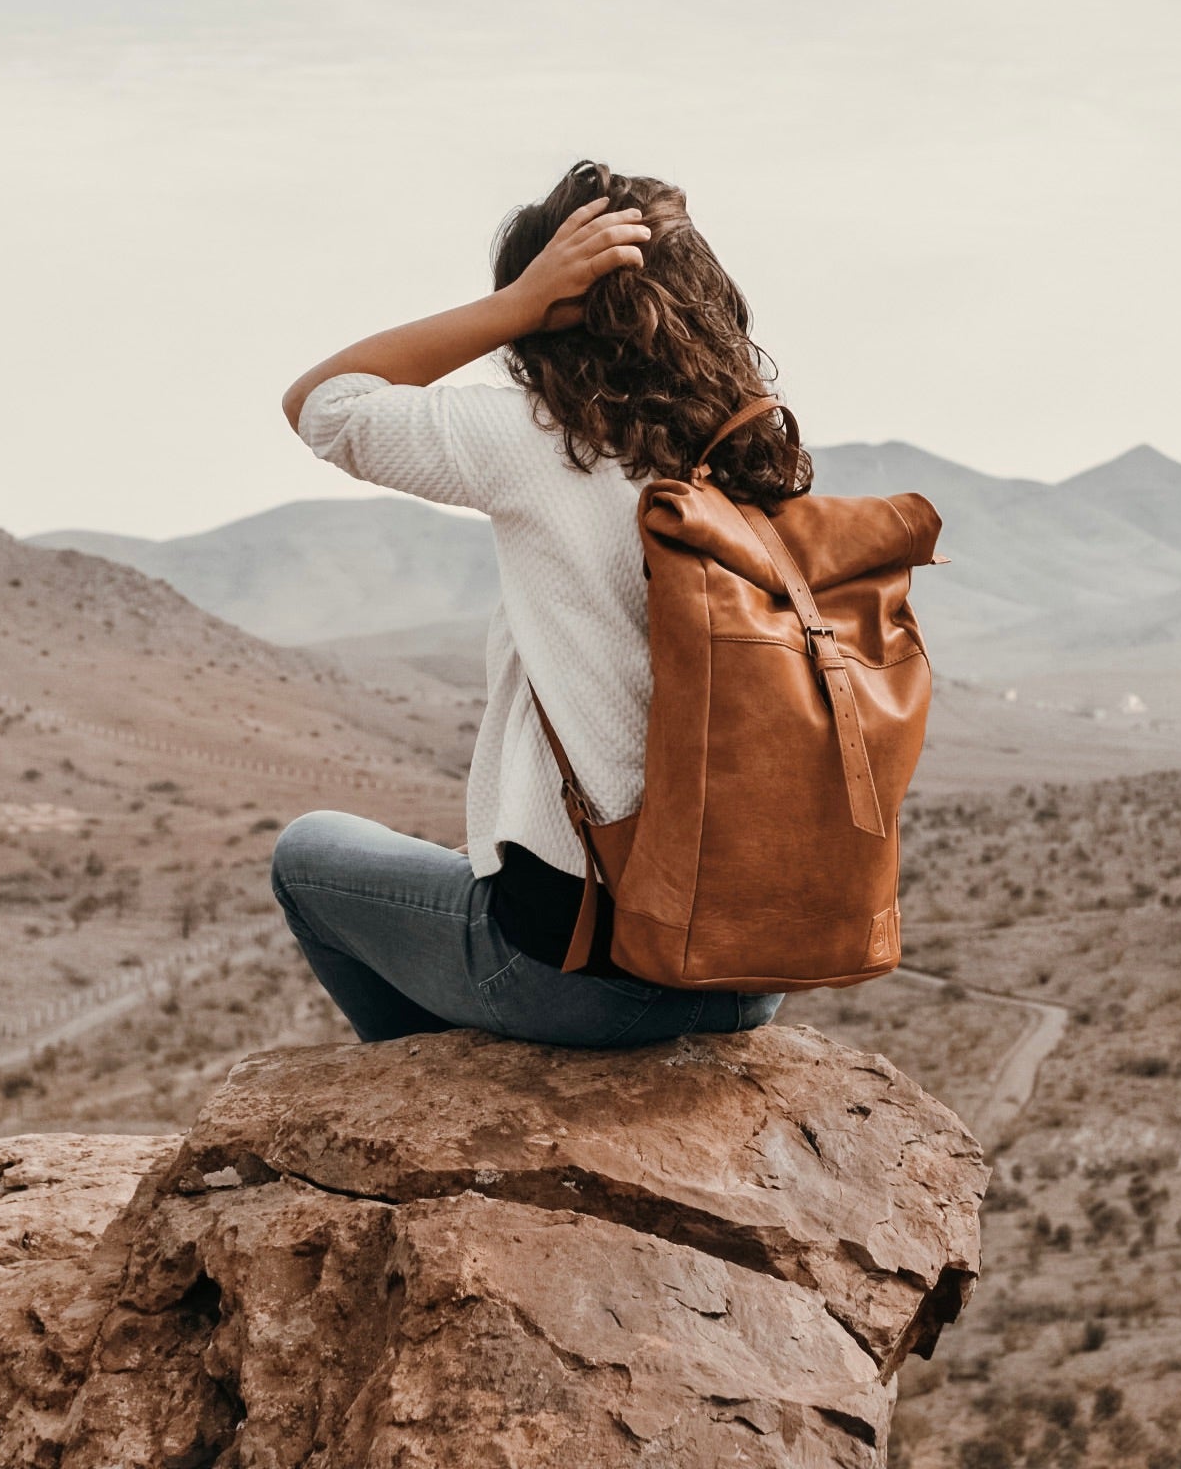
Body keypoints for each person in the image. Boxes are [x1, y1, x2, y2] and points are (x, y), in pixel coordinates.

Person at [269, 158, 809, 1047]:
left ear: (557, 304)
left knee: (309, 852)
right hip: (750, 973)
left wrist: (514, 305)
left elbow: (323, 406)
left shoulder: (542, 443)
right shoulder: (754, 452)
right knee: (464, 861)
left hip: (590, 977)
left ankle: (420, 1091)